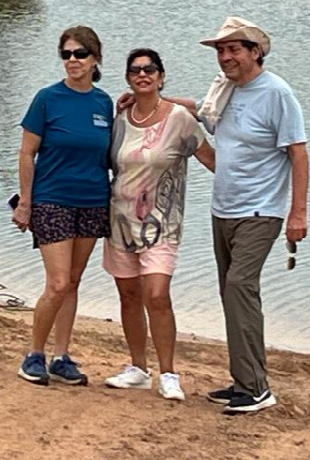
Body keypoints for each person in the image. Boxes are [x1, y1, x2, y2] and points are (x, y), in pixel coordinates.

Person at [189, 17, 309, 414]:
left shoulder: (277, 93)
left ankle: (257, 389)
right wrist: (151, 98)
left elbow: (298, 152)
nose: (226, 57)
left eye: (234, 49)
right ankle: (246, 381)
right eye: (221, 51)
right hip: (222, 209)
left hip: (262, 211)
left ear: (255, 52)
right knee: (232, 294)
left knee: (241, 287)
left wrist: (298, 214)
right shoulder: (225, 91)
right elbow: (200, 114)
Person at [103, 48, 215, 401]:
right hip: (118, 221)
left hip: (162, 224)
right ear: (127, 78)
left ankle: (168, 372)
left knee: (157, 294)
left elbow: (215, 161)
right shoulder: (119, 117)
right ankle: (138, 367)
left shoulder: (180, 119)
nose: (143, 74)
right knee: (129, 295)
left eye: (150, 69)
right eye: (135, 70)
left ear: (161, 76)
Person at [12, 26, 112, 387]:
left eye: (80, 54)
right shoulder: (47, 99)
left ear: (95, 59)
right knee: (56, 282)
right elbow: (26, 153)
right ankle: (33, 355)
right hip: (52, 200)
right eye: (66, 54)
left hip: (93, 202)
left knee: (72, 281)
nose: (72, 61)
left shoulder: (104, 103)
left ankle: (62, 356)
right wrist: (25, 202)